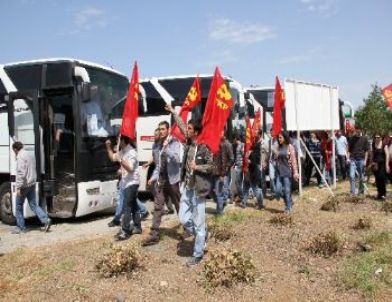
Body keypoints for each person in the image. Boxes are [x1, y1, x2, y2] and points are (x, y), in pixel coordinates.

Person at [166, 104, 213, 266]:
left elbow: (212, 166)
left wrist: (197, 167)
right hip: (187, 187)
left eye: (190, 128)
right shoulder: (188, 143)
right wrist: (173, 112)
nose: (187, 130)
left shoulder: (204, 148)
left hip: (199, 190)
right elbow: (181, 124)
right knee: (184, 219)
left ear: (196, 132)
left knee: (199, 223)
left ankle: (198, 254)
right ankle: (203, 235)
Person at [142, 121, 182, 246]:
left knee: (178, 205)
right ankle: (154, 235)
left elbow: (177, 159)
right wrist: (153, 177)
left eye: (163, 129)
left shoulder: (175, 143)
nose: (161, 131)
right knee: (158, 206)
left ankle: (188, 226)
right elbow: (158, 166)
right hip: (161, 180)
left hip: (173, 180)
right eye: (159, 129)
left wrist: (167, 149)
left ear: (168, 130)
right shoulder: (158, 145)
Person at [106, 140, 149, 227]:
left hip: (132, 183)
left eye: (119, 140)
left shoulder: (132, 152)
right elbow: (112, 158)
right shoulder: (123, 151)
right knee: (134, 206)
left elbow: (130, 168)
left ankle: (124, 229)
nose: (117, 142)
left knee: (126, 207)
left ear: (123, 141)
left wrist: (120, 160)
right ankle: (137, 226)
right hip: (124, 182)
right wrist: (108, 147)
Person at [11, 142, 52, 234]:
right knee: (33, 204)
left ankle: (21, 228)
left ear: (15, 149)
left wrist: (18, 187)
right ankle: (46, 220)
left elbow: (21, 173)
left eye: (13, 151)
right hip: (32, 184)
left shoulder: (20, 157)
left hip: (24, 186)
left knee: (18, 206)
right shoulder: (28, 154)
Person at [143, 127, 175, 214]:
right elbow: (154, 157)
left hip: (162, 169)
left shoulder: (162, 145)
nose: (155, 136)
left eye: (156, 135)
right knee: (156, 188)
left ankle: (161, 208)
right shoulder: (154, 145)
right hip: (156, 168)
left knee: (160, 188)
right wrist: (147, 163)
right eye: (154, 135)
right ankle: (165, 207)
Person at [273, 132, 299, 214]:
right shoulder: (278, 147)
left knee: (287, 191)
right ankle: (290, 201)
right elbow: (275, 159)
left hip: (287, 172)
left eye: (280, 137)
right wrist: (275, 155)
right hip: (278, 172)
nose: (279, 139)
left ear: (285, 138)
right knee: (277, 191)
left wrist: (295, 172)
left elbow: (294, 160)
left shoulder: (290, 147)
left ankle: (288, 207)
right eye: (278, 138)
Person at [240, 130, 265, 209]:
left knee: (255, 188)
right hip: (247, 169)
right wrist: (246, 154)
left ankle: (260, 203)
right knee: (245, 186)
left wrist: (250, 159)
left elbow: (256, 159)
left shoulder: (258, 146)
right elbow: (245, 154)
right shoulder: (251, 145)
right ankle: (244, 201)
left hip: (253, 170)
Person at [212, 131, 234, 215]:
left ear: (223, 132)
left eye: (220, 131)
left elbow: (231, 159)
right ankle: (221, 203)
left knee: (219, 192)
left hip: (221, 172)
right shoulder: (215, 143)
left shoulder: (227, 144)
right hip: (213, 172)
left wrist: (223, 173)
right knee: (211, 191)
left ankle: (219, 212)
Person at [347, 129, 369, 196]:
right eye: (356, 131)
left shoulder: (364, 139)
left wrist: (365, 160)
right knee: (351, 176)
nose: (357, 132)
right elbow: (348, 149)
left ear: (360, 131)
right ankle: (352, 192)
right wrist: (348, 158)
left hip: (361, 159)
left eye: (359, 131)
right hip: (353, 159)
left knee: (361, 177)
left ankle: (361, 191)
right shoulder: (352, 139)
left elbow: (367, 151)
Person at [370, 134, 389, 200]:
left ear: (380, 137)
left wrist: (387, 165)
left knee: (382, 178)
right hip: (375, 165)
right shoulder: (373, 145)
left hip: (382, 165)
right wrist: (371, 163)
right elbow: (372, 155)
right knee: (377, 179)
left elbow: (387, 155)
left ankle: (383, 194)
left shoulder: (384, 145)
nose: (377, 138)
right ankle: (379, 193)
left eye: (378, 137)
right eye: (375, 137)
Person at [232, 134, 244, 203]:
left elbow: (243, 155)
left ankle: (242, 197)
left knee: (237, 182)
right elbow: (238, 157)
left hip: (241, 166)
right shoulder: (238, 146)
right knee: (239, 182)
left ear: (235, 139)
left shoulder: (242, 145)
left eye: (233, 139)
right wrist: (234, 164)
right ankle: (241, 197)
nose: (233, 141)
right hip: (238, 165)